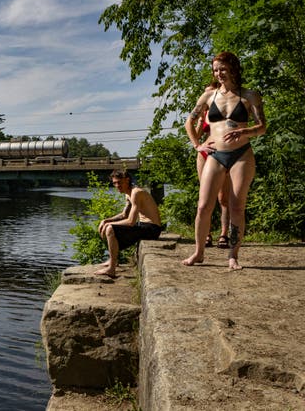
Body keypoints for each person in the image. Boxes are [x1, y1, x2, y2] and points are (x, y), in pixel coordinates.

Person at [182, 51, 266, 270]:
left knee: (237, 207)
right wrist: (197, 145)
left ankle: (233, 256)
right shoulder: (208, 96)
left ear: (233, 68)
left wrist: (245, 132)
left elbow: (262, 127)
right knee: (203, 206)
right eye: (215, 70)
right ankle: (199, 252)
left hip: (241, 155)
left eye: (222, 69)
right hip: (215, 154)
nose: (218, 73)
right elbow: (189, 123)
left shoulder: (249, 96)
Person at [94, 169, 162, 277]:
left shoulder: (136, 192)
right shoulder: (128, 193)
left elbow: (131, 221)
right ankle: (113, 261)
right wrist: (107, 220)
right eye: (114, 183)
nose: (117, 185)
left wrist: (109, 225)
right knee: (106, 226)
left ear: (127, 180)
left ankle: (111, 268)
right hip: (143, 226)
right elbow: (124, 215)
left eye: (119, 182)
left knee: (110, 229)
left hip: (152, 229)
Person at [195, 99, 231, 249]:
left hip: (223, 152)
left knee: (223, 197)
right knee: (205, 196)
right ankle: (207, 234)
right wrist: (201, 120)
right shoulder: (204, 113)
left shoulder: (227, 110)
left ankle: (224, 234)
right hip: (204, 152)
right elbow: (195, 135)